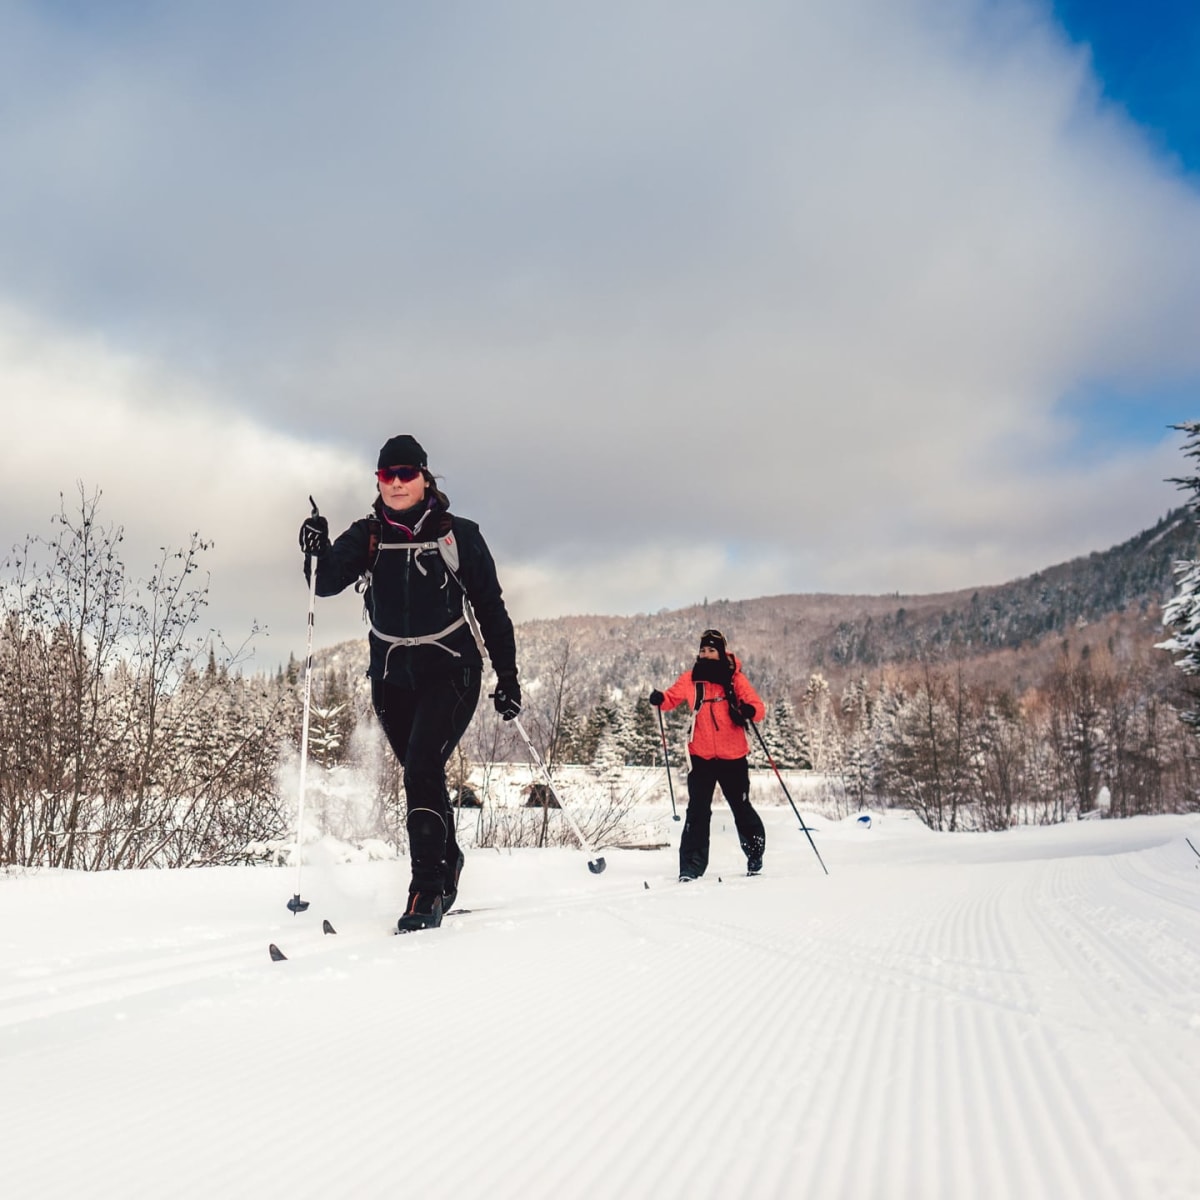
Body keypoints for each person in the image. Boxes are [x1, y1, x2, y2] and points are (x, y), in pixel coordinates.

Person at [298, 434, 521, 931]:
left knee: (421, 765)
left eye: (405, 474)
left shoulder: (457, 534)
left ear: (424, 477)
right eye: (386, 475)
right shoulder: (369, 534)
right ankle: (448, 861)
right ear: (378, 481)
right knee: (423, 775)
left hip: (452, 669)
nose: (396, 483)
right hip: (392, 678)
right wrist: (314, 547)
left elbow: (491, 608)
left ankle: (425, 891)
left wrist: (508, 677)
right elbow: (326, 581)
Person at [649, 629, 766, 881]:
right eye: (703, 650)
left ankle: (755, 854)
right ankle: (691, 867)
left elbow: (758, 709)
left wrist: (746, 710)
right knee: (697, 811)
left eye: (711, 650)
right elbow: (671, 698)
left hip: (733, 756)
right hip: (701, 755)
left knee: (741, 807)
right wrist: (660, 699)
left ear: (721, 652)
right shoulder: (691, 678)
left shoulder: (735, 679)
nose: (706, 654)